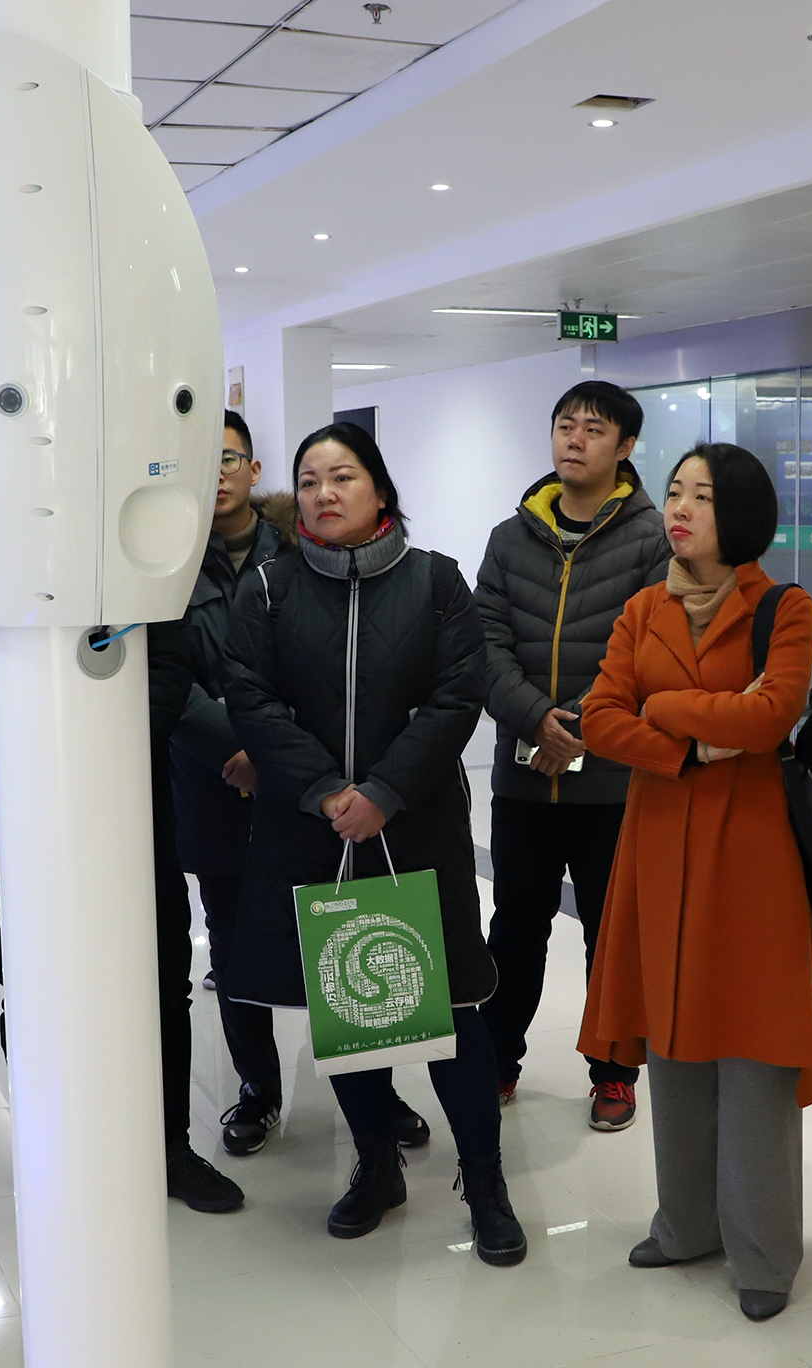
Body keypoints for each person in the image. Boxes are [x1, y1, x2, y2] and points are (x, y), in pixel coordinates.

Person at [215, 422, 525, 1264]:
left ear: (380, 489)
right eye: (311, 479)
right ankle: (377, 1165)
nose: (324, 493)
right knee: (348, 1001)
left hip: (416, 826)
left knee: (451, 1009)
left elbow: (456, 696)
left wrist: (383, 792)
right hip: (313, 831)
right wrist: (327, 791)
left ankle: (485, 1181)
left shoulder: (435, 582)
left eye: (343, 476)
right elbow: (252, 699)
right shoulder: (269, 589)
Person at [0, 548, 245, 1213]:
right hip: (3, 806)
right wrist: (33, 761)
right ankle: (54, 1152)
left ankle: (167, 1148)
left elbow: (168, 660)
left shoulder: (122, 545)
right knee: (35, 984)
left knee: (159, 974)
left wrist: (106, 752)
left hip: (126, 798)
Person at [577, 442, 812, 1323]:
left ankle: (764, 1253)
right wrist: (690, 745)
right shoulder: (644, 608)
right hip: (658, 844)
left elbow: (771, 715)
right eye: (675, 491)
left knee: (754, 1050)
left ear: (741, 513)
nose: (679, 508)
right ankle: (685, 1224)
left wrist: (664, 708)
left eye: (702, 496)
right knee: (673, 1036)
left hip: (751, 852)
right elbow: (599, 718)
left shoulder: (784, 607)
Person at [178, 412, 429, 1160]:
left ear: (255, 470)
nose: (217, 473)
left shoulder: (305, 550)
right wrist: (242, 745)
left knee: (348, 934)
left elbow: (333, 672)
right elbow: (166, 679)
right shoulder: (163, 563)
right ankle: (257, 1090)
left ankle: (377, 1098)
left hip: (310, 786)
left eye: (229, 458)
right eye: (200, 460)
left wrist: (280, 755)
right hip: (217, 785)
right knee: (236, 948)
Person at [473, 381, 673, 1131]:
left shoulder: (652, 540)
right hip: (523, 777)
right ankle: (497, 1059)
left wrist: (582, 726)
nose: (575, 439)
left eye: (594, 428)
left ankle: (615, 1072)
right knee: (514, 927)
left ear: (625, 446)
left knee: (610, 932)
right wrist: (535, 719)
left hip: (613, 781)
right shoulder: (509, 537)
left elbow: (648, 653)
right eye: (565, 425)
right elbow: (484, 643)